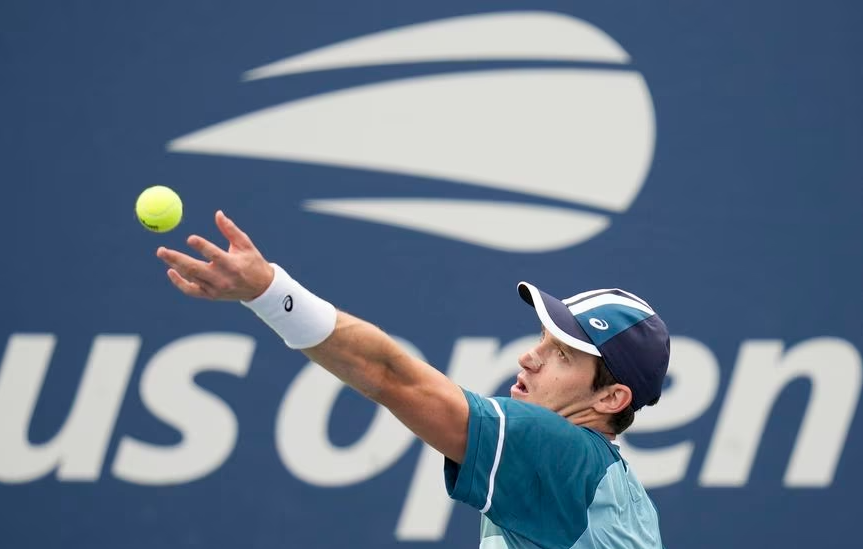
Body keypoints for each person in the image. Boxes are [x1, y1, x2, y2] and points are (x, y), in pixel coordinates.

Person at [156, 210, 670, 549]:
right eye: (540, 339)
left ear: (611, 397)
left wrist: (270, 292)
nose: (529, 358)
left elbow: (391, 377)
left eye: (560, 353)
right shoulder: (624, 496)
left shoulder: (558, 451)